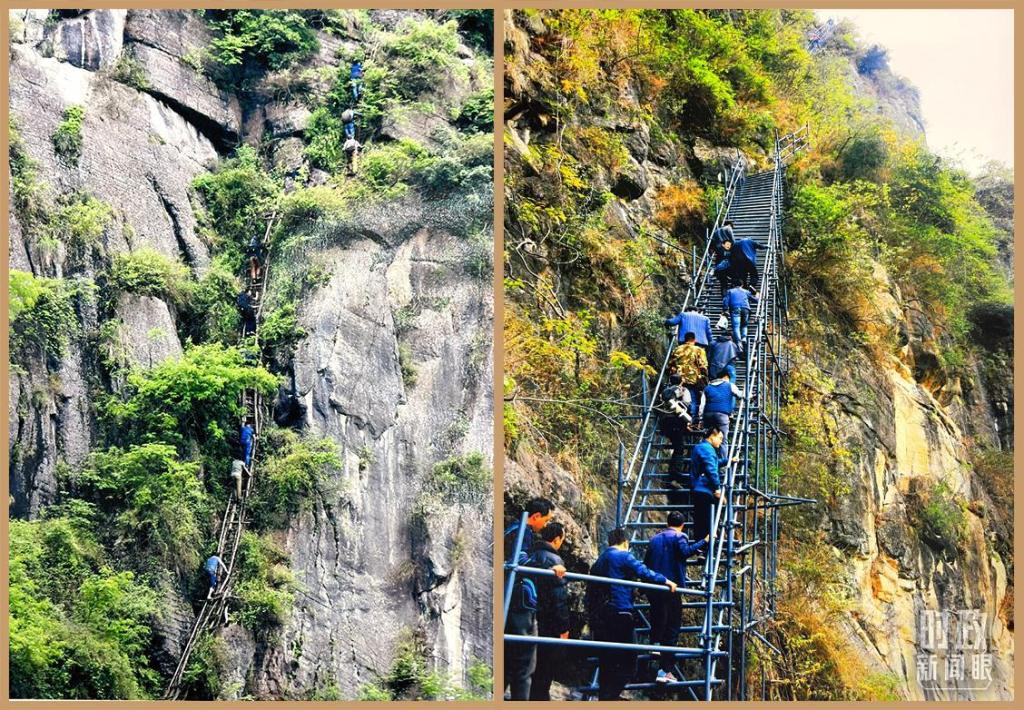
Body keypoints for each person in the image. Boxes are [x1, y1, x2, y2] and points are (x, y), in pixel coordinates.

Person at [588, 528, 677, 701]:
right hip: (620, 612)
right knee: (629, 661)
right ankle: (611, 697)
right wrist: (666, 580)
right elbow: (644, 571)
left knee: (607, 661)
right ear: (625, 542)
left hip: (602, 615)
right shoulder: (623, 556)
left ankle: (605, 698)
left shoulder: (600, 561)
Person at [504, 498, 564, 701]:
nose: (546, 525)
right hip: (521, 602)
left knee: (513, 660)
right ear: (536, 516)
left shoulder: (517, 530)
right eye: (546, 520)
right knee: (524, 661)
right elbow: (519, 561)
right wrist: (549, 567)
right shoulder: (522, 531)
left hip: (516, 600)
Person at [644, 512, 709, 683]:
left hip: (654, 587)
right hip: (671, 588)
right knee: (672, 629)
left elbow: (646, 562)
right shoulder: (679, 537)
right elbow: (685, 552)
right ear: (682, 525)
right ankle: (665, 671)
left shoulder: (654, 539)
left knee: (658, 620)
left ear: (667, 523)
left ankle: (655, 645)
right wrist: (704, 541)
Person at [528, 522, 571, 701]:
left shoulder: (531, 554)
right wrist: (564, 627)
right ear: (557, 539)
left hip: (532, 616)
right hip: (550, 622)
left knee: (531, 665)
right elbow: (559, 598)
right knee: (546, 668)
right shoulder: (554, 560)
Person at [689, 426, 727, 541]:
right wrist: (717, 489)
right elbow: (711, 469)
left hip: (700, 488)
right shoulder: (707, 449)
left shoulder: (703, 447)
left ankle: (702, 547)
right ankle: (705, 547)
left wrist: (728, 460)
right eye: (720, 438)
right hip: (704, 489)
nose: (721, 441)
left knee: (701, 521)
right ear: (712, 436)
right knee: (705, 522)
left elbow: (713, 463)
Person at [699, 370, 745, 450]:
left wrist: (701, 419)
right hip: (722, 415)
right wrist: (751, 395)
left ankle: (705, 454)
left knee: (708, 437)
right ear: (726, 377)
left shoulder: (707, 388)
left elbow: (702, 405)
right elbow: (740, 395)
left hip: (708, 414)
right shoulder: (729, 385)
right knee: (723, 440)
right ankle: (723, 458)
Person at [673, 332, 708, 427]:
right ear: (694, 339)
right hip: (692, 378)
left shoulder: (677, 349)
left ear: (685, 339)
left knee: (679, 398)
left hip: (678, 378)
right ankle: (691, 420)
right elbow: (703, 366)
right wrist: (705, 377)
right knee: (693, 398)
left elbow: (671, 364)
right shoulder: (698, 350)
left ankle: (680, 419)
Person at [722, 285, 758, 354]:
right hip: (745, 309)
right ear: (742, 285)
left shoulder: (730, 291)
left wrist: (725, 309)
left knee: (736, 326)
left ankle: (739, 342)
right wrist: (756, 293)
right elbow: (755, 300)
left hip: (735, 308)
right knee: (744, 325)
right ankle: (744, 338)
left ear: (733, 285)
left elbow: (725, 301)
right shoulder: (746, 291)